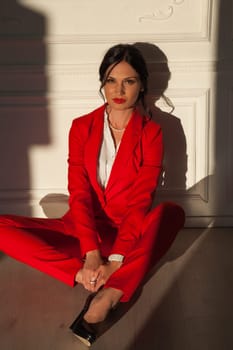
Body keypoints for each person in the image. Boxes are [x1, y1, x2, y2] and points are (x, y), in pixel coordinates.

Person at [0, 43, 185, 346]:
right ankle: (82, 277)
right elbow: (79, 192)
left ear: (142, 85)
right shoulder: (81, 127)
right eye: (111, 80)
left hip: (125, 235)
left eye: (129, 81)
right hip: (83, 232)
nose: (119, 89)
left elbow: (141, 199)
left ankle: (110, 294)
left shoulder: (152, 132)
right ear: (102, 83)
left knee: (172, 213)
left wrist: (114, 259)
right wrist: (90, 256)